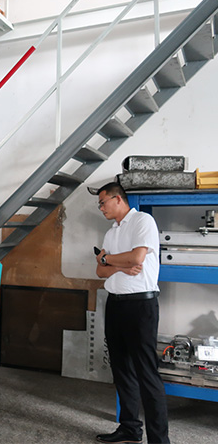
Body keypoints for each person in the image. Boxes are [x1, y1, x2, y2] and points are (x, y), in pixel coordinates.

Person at [93, 182, 169, 444]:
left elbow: (137, 258)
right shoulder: (110, 233)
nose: (101, 208)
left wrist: (108, 259)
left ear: (118, 199)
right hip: (115, 304)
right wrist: (117, 264)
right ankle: (130, 428)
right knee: (122, 369)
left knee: (147, 373)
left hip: (140, 306)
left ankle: (159, 440)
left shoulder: (142, 221)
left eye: (102, 202)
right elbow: (100, 271)